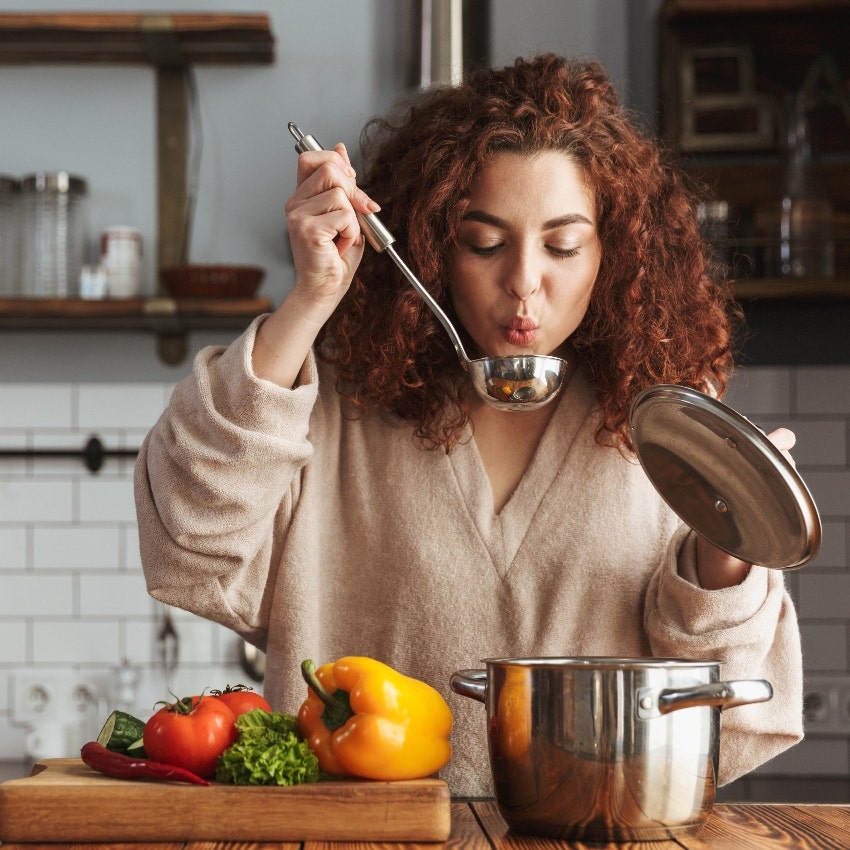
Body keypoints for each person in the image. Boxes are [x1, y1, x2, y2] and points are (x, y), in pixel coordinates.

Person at [135, 54, 803, 797]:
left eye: (562, 245)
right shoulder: (333, 410)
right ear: (431, 247)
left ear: (612, 254)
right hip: (361, 843)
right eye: (484, 242)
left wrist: (727, 552)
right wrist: (310, 300)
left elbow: (726, 699)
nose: (524, 280)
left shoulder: (672, 426)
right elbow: (190, 544)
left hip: (593, 839)